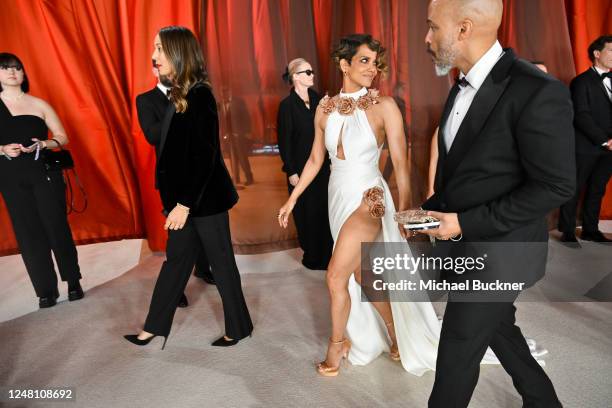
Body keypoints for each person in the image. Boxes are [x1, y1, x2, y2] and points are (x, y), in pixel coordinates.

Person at [422, 0, 574, 406]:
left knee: (456, 350)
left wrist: (464, 223)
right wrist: (431, 209)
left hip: (503, 250)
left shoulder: (539, 91)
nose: (427, 38)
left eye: (433, 27)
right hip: (467, 245)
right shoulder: (460, 84)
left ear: (464, 29)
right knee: (500, 328)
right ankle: (544, 400)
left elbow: (555, 186)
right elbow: (471, 171)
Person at [278, 34, 442, 377]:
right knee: (361, 275)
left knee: (335, 275)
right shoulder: (324, 107)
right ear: (344, 65)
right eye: (364, 61)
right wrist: (292, 199)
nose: (372, 68)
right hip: (337, 197)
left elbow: (400, 161)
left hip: (371, 198)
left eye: (374, 62)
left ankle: (335, 347)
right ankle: (396, 333)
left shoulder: (384, 107)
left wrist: (406, 210)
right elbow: (314, 159)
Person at [124, 26, 252, 349]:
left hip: (204, 200)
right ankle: (153, 327)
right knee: (176, 262)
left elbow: (204, 156)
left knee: (222, 263)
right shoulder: (180, 93)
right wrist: (177, 203)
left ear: (179, 53)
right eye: (154, 49)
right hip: (182, 202)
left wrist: (183, 204)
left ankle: (239, 327)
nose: (154, 57)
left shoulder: (200, 94)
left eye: (160, 50)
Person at [0, 53, 83, 309]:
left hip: (44, 171)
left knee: (56, 225)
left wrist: (45, 143)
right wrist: (2, 149)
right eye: (5, 68)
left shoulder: (39, 104)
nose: (12, 72)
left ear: (24, 74)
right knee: (27, 231)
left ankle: (73, 281)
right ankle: (45, 290)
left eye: (17, 68)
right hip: (10, 176)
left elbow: (62, 136)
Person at [135, 60, 216, 310]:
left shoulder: (197, 94)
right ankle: (176, 286)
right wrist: (177, 102)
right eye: (162, 66)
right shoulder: (146, 99)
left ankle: (203, 268)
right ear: (154, 70)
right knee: (179, 234)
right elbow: (152, 135)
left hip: (200, 174)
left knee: (203, 223)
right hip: (172, 179)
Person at [277, 58, 333, 270]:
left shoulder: (320, 100)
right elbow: (284, 141)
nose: (312, 75)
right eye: (307, 72)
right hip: (299, 169)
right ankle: (312, 256)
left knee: (324, 209)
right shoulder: (287, 106)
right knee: (305, 212)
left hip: (323, 167)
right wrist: (291, 170)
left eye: (312, 71)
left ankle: (328, 255)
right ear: (296, 77)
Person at [559, 35, 612, 244]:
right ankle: (568, 231)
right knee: (574, 187)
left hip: (609, 149)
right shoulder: (580, 82)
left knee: (597, 188)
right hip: (586, 146)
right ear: (597, 54)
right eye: (611, 51)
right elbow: (581, 115)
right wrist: (604, 140)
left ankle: (591, 229)